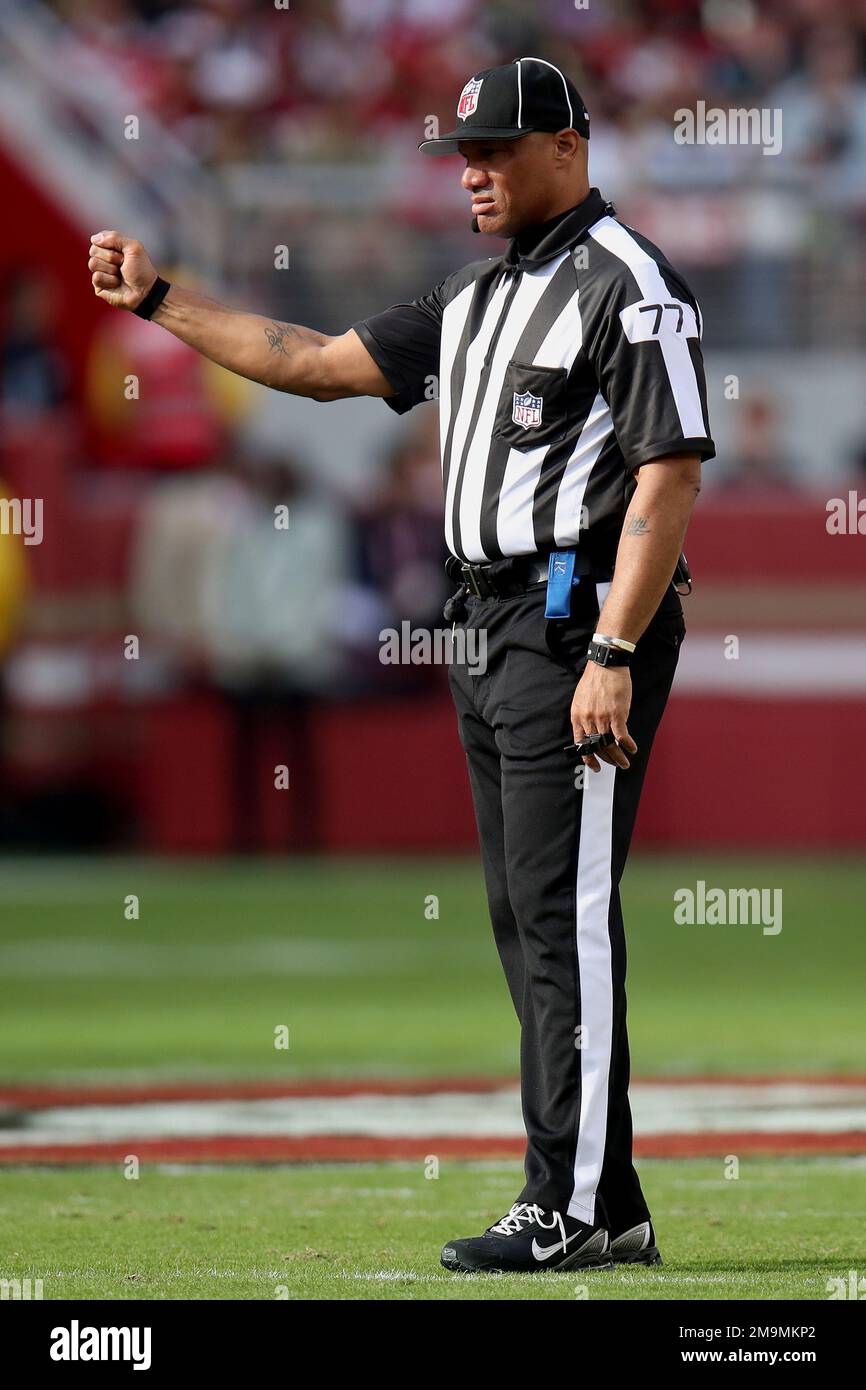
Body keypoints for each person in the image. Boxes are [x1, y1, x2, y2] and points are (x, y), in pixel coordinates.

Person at [86, 56, 714, 1274]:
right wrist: (164, 297)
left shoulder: (626, 283)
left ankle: (574, 1205)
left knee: (560, 914)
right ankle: (603, 1193)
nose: (470, 173)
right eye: (461, 155)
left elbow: (668, 472)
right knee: (523, 915)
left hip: (570, 619)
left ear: (569, 147)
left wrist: (614, 650)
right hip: (483, 627)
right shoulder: (476, 297)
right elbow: (316, 362)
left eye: (494, 151)